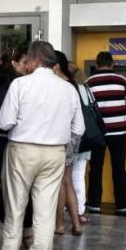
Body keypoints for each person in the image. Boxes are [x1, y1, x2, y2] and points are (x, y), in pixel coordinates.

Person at [0, 42, 84, 250]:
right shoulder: (68, 89)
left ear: (34, 60)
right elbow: (79, 128)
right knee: (45, 211)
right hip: (55, 153)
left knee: (15, 207)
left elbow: (4, 122)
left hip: (22, 151)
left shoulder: (20, 84)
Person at [0, 47, 29, 250]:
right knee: (15, 197)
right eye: (23, 63)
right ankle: (16, 245)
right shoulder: (20, 86)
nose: (27, 66)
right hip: (12, 144)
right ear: (14, 64)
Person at [85, 51, 126, 214]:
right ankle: (122, 204)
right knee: (119, 167)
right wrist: (121, 110)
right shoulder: (123, 80)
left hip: (97, 133)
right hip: (118, 131)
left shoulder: (88, 82)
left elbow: (86, 106)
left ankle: (94, 203)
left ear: (96, 64)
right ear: (112, 64)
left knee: (96, 168)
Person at [53, 51, 84, 236]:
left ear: (56, 66)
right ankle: (76, 224)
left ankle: (59, 224)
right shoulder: (72, 84)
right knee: (68, 181)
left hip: (62, 137)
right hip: (74, 137)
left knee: (59, 182)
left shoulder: (60, 86)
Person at [70, 64, 93, 224]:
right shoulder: (86, 89)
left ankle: (66, 209)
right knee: (78, 176)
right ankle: (79, 211)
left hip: (70, 138)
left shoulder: (66, 89)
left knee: (65, 177)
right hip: (85, 138)